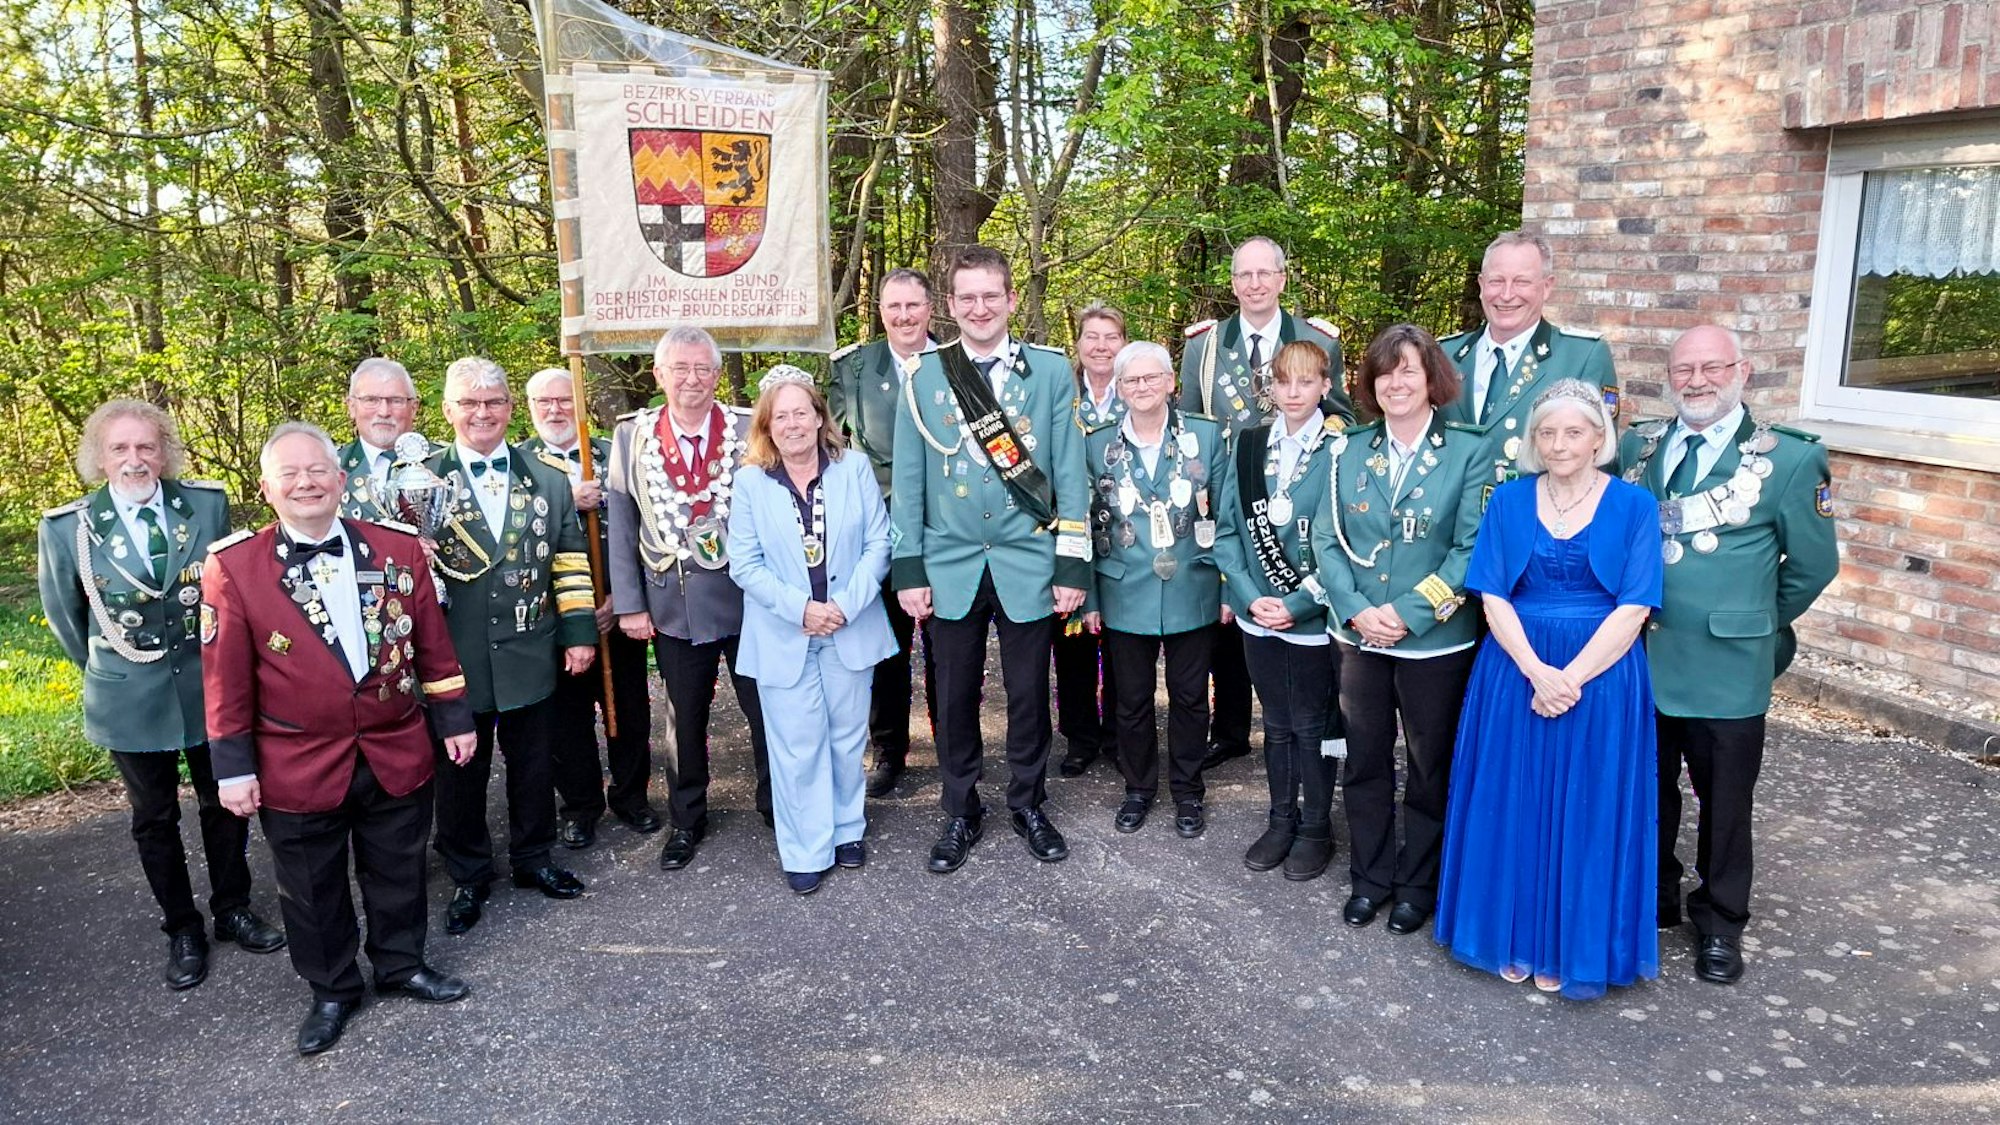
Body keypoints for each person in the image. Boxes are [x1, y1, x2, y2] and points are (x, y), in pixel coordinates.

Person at [202, 422, 476, 1056]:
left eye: (318, 470)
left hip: (394, 742)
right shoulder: (234, 567)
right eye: (290, 474)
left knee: (399, 868)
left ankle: (402, 964)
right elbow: (225, 681)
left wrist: (455, 719)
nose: (306, 482)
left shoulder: (398, 548)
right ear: (267, 488)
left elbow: (432, 643)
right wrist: (232, 767)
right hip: (295, 760)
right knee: (310, 884)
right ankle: (332, 990)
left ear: (341, 479)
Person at [37, 399, 284, 991]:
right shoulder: (67, 527)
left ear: (164, 450)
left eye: (146, 446)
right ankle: (182, 927)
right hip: (128, 694)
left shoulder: (204, 504)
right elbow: (69, 620)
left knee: (225, 800)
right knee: (154, 817)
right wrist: (119, 667)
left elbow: (230, 591)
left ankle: (232, 910)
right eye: (120, 448)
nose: (134, 459)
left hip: (207, 685)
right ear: (100, 457)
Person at [1620, 325, 1839, 986]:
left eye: (1711, 367)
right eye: (1684, 368)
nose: (1696, 380)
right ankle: (1654, 898)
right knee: (1647, 790)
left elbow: (1812, 566)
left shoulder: (1790, 460)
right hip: (1643, 656)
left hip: (1727, 665)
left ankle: (1719, 921)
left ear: (1742, 370)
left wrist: (1752, 624)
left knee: (1725, 804)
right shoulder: (1640, 444)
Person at [1434, 378, 1662, 1000]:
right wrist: (1537, 671)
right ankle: (1513, 935)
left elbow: (1636, 605)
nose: (1560, 444)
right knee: (1515, 802)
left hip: (1602, 677)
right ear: (1534, 441)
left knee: (1588, 809)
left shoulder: (1635, 506)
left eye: (1574, 432)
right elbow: (1491, 594)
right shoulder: (1507, 502)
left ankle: (1574, 943)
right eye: (1548, 433)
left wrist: (1570, 678)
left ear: (1598, 439)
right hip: (1515, 668)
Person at [889, 244, 1092, 873]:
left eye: (991, 296)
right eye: (967, 297)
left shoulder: (1053, 373)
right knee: (952, 697)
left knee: (1030, 694)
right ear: (950, 306)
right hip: (951, 564)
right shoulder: (925, 374)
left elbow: (1070, 474)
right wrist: (910, 569)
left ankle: (1029, 802)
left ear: (1009, 300)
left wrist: (1071, 566)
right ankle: (960, 809)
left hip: (1027, 561)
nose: (980, 307)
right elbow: (911, 477)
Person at [1312, 325, 1488, 935]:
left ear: (1431, 378)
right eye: (1385, 373)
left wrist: (1409, 615)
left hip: (1435, 640)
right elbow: (1324, 539)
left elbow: (1470, 549)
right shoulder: (1347, 450)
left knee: (1428, 765)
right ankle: (1371, 878)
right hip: (1358, 637)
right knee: (1363, 761)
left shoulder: (1469, 450)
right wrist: (1358, 610)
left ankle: (1417, 884)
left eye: (1409, 370)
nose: (1397, 383)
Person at [424, 357, 596, 934]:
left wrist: (578, 633)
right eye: (468, 403)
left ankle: (533, 857)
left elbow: (570, 561)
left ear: (508, 408)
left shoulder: (547, 478)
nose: (482, 413)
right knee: (460, 774)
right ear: (448, 410)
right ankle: (468, 874)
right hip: (456, 659)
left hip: (530, 648)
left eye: (493, 402)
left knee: (532, 763)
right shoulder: (418, 482)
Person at [1178, 236, 1355, 773]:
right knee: (1233, 614)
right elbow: (1192, 426)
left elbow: (1342, 416)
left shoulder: (1315, 339)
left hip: (1300, 499)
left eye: (1264, 274)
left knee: (1303, 627)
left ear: (1282, 279)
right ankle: (1231, 730)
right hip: (1230, 497)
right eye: (1243, 275)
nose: (1254, 284)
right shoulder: (1203, 346)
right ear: (1231, 284)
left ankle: (1309, 735)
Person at [606, 327, 775, 872]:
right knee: (684, 720)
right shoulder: (632, 435)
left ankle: (780, 808)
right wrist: (630, 604)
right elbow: (623, 521)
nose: (692, 379)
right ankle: (687, 819)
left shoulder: (750, 428)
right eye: (680, 368)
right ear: (659, 375)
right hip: (676, 605)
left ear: (718, 374)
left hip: (750, 602)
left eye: (703, 368)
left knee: (767, 710)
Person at [727, 367, 896, 894]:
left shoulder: (854, 469)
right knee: (796, 745)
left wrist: (843, 605)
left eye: (803, 412)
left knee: (846, 739)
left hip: (850, 624)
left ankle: (847, 829)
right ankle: (805, 848)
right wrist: (801, 608)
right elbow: (743, 563)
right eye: (782, 416)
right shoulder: (751, 481)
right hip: (784, 632)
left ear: (821, 417)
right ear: (767, 426)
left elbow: (879, 544)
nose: (794, 423)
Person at [1080, 341, 1231, 837]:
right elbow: (1084, 530)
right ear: (1119, 388)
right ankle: (1139, 788)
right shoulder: (1096, 444)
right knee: (1131, 700)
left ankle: (1188, 792)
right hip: (1124, 592)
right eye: (1131, 381)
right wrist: (1091, 600)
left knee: (1191, 698)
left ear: (1171, 382)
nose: (1141, 388)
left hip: (1193, 587)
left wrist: (1230, 590)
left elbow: (1227, 519)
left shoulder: (1206, 437)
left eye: (1151, 378)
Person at [1211, 342, 1344, 881]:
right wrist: (1249, 596)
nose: (1293, 392)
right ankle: (1280, 818)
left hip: (1311, 613)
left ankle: (1317, 826)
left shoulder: (1342, 448)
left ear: (1324, 387)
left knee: (1315, 723)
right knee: (1278, 723)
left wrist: (1295, 602)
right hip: (1256, 613)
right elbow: (1224, 535)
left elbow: (1347, 539)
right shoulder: (1247, 446)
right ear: (1270, 387)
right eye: (1283, 382)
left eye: (1305, 382)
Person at [522, 367, 660, 849]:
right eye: (545, 403)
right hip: (554, 621)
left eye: (565, 401)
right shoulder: (522, 466)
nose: (556, 410)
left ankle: (631, 796)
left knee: (630, 709)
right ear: (531, 409)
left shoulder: (610, 454)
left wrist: (622, 598)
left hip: (617, 609)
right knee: (568, 722)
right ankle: (580, 806)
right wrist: (562, 496)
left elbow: (645, 525)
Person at [826, 268, 940, 797]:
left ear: (930, 309)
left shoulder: (958, 364)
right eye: (893, 307)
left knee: (948, 650)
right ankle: (889, 751)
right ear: (879, 310)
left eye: (912, 306)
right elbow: (832, 450)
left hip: (945, 532)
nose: (903, 316)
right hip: (877, 533)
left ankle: (955, 745)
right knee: (887, 650)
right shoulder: (853, 368)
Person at [1439, 231, 1618, 484]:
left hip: (1537, 517)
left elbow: (1602, 461)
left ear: (1547, 287)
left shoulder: (1583, 355)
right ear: (1481, 285)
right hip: (1453, 520)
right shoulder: (1444, 355)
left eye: (1521, 282)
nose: (1507, 294)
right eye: (1496, 281)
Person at [1053, 302, 1128, 778]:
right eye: (1092, 337)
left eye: (1111, 337)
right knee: (1072, 641)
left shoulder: (1141, 390)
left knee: (1122, 642)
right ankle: (1080, 737)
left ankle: (1121, 735)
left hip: (1126, 538)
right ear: (1077, 344)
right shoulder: (1061, 395)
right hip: (1072, 533)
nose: (1101, 346)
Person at [339, 358, 427, 521]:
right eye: (371, 400)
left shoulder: (446, 462)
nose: (384, 412)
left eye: (396, 401)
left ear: (414, 408)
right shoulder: (330, 467)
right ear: (351, 407)